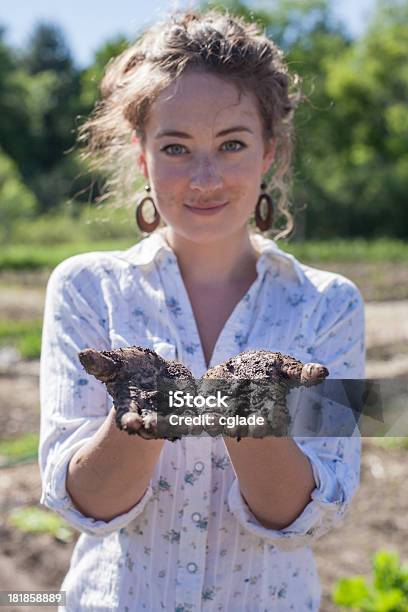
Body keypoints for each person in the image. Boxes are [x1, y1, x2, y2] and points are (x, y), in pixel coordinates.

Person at [39, 9, 365, 611]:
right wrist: (140, 418)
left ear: (270, 150)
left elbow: (316, 511)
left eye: (232, 143)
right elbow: (82, 503)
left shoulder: (331, 305)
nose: (205, 176)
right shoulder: (87, 288)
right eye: (176, 147)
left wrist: (252, 413)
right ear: (142, 156)